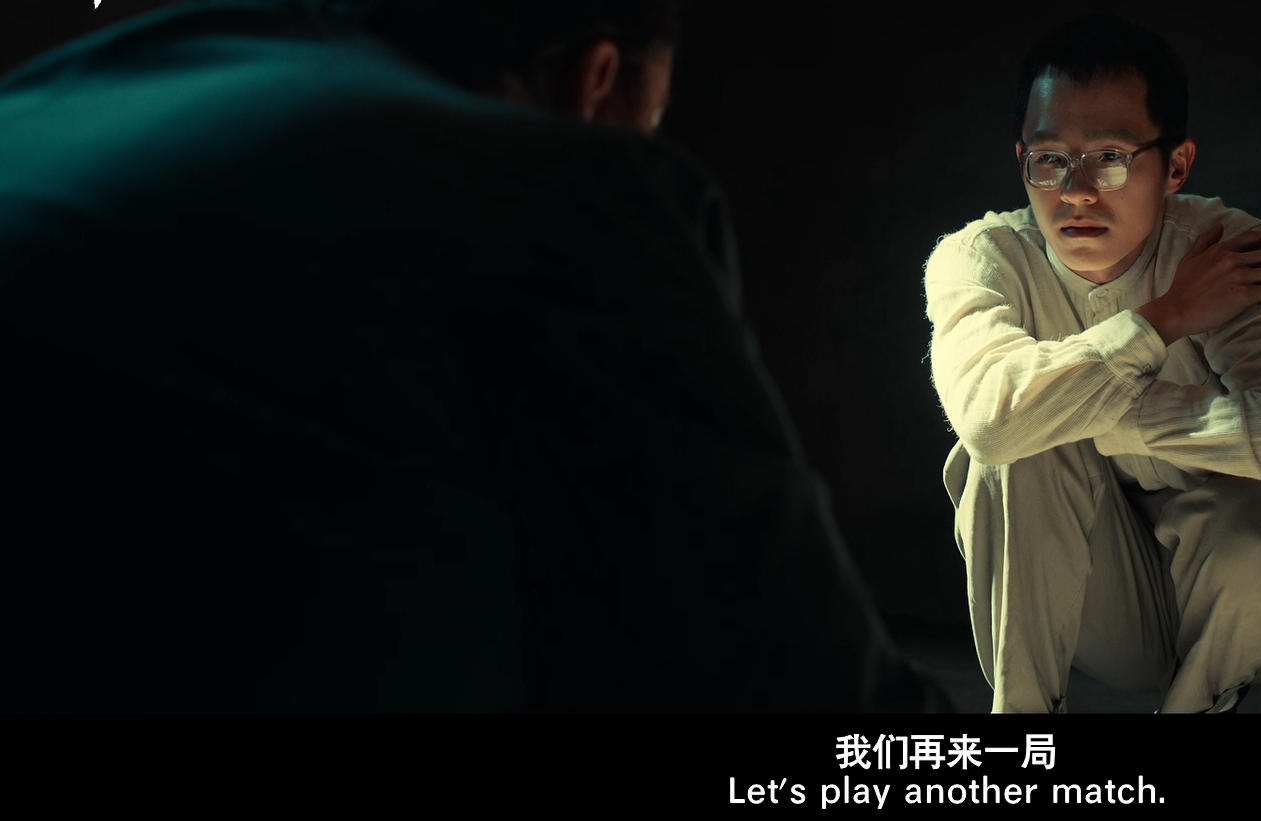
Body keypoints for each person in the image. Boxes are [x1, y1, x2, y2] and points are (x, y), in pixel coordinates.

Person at [0, 0, 945, 712]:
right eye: (651, 117)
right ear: (595, 77)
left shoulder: (67, 90)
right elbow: (803, 680)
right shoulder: (570, 187)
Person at [925, 14, 1261, 713]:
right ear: (1021, 158)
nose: (1076, 192)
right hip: (1102, 602)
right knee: (1011, 445)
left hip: (1253, 598)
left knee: (1257, 542)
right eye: (1049, 159)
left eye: (1110, 156)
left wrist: (1087, 410)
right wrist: (1163, 320)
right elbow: (992, 426)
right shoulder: (980, 258)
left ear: (1176, 165)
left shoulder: (1218, 247)